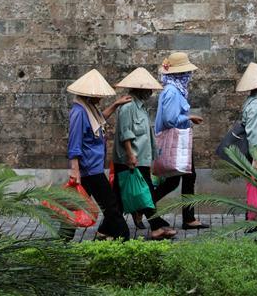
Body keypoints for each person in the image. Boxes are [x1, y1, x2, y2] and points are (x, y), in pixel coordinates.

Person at [112, 67, 178, 240]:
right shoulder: (128, 107)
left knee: (122, 198)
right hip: (130, 160)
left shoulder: (140, 107)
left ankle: (105, 230)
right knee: (141, 193)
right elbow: (125, 132)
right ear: (140, 89)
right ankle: (156, 227)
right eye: (148, 89)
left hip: (140, 159)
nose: (150, 92)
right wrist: (130, 155)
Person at [67, 68, 131, 240]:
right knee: (111, 207)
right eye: (99, 94)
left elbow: (99, 120)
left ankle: (62, 239)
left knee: (77, 206)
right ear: (90, 94)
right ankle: (125, 238)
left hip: (92, 167)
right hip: (89, 168)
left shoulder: (89, 108)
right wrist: (75, 170)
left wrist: (116, 105)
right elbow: (74, 142)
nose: (101, 97)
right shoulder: (79, 112)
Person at [151, 52, 208, 230]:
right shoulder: (172, 92)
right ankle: (187, 218)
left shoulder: (174, 90)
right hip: (176, 141)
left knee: (175, 180)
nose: (188, 76)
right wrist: (189, 117)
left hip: (179, 141)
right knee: (185, 178)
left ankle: (146, 207)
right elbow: (169, 119)